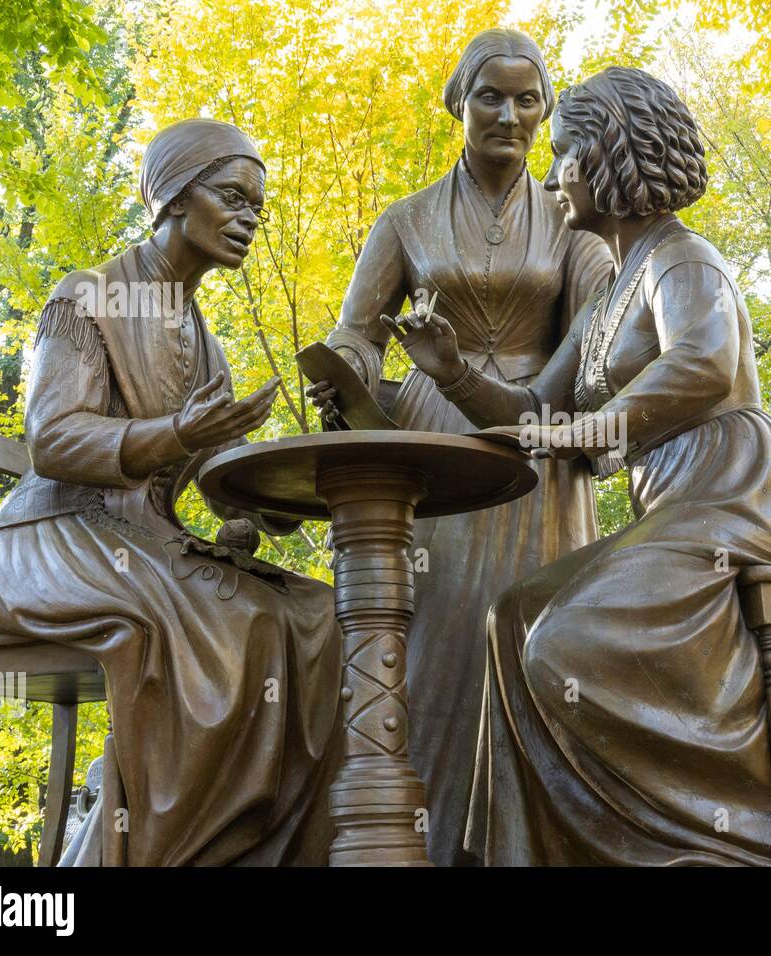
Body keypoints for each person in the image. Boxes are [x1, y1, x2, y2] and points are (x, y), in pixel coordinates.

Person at [386, 67, 771, 865]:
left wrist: (586, 429)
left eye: (564, 152)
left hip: (741, 495)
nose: (553, 172)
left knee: (567, 645)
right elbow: (535, 407)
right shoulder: (606, 300)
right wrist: (452, 371)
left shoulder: (683, 258)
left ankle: (746, 840)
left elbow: (704, 361)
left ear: (608, 156)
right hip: (676, 506)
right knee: (512, 619)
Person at [0, 119, 341, 866]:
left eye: (257, 208)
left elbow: (228, 487)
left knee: (318, 613)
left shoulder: (207, 343)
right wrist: (177, 434)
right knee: (236, 623)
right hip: (50, 540)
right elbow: (55, 440)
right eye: (233, 197)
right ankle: (151, 851)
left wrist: (306, 483)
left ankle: (255, 850)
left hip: (143, 547)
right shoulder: (87, 298)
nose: (248, 219)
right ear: (171, 194)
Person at [306, 28, 613, 865]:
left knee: (534, 639)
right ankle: (419, 843)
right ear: (458, 103)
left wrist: (543, 404)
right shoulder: (404, 220)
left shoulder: (573, 219)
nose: (508, 115)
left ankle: (529, 845)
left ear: (547, 111)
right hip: (432, 443)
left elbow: (599, 328)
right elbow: (356, 332)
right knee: (430, 640)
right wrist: (345, 373)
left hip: (533, 447)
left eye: (527, 99)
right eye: (490, 96)